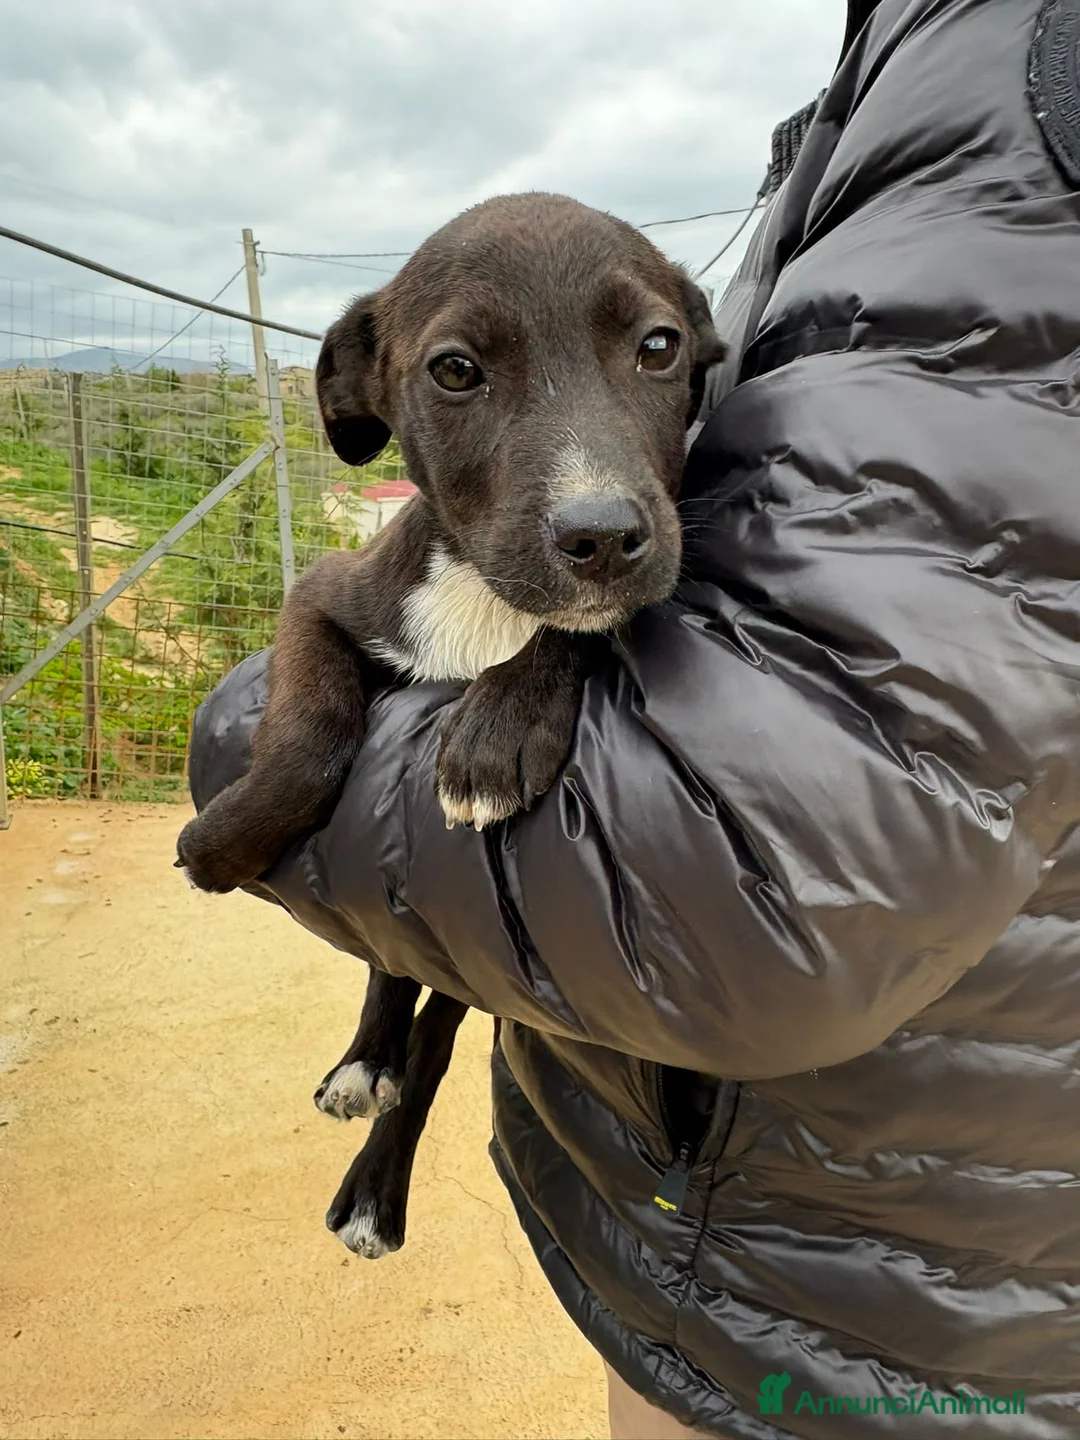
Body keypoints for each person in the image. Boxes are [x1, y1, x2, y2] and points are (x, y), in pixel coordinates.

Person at [187, 0, 1080, 1433]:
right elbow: (334, 617)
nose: (596, 493)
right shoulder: (881, 80)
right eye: (460, 374)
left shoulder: (1020, 85)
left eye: (653, 352)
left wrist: (535, 665)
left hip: (891, 1292)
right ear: (369, 390)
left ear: (698, 359)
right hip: (666, 1213)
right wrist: (291, 748)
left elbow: (773, 884)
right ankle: (382, 1095)